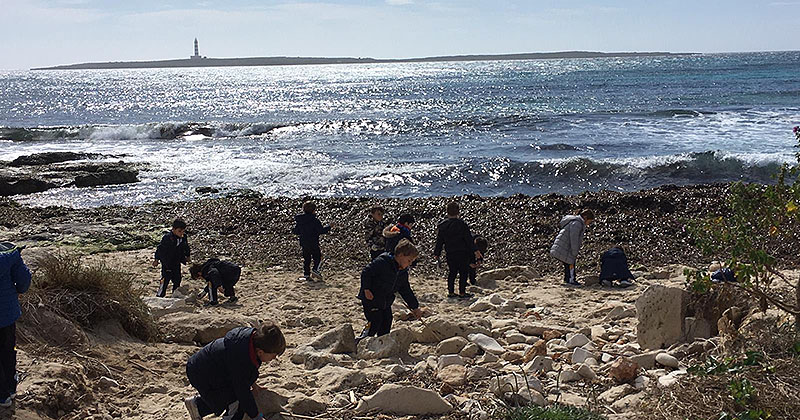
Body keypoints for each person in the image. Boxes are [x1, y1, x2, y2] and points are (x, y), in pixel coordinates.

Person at [185, 322, 286, 420]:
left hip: (208, 367)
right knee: (238, 401)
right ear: (260, 352)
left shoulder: (251, 341)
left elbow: (245, 374)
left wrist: (254, 385)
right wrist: (256, 416)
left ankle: (197, 407)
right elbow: (242, 390)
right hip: (201, 373)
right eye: (273, 356)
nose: (274, 358)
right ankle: (200, 407)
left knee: (227, 396)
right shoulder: (241, 359)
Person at [356, 239, 422, 341]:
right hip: (371, 299)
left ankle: (382, 342)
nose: (409, 264)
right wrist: (366, 289)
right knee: (375, 321)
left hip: (386, 301)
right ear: (400, 255)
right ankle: (362, 340)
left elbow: (406, 290)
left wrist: (415, 307)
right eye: (409, 260)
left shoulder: (402, 272)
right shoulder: (383, 262)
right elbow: (366, 272)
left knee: (387, 320)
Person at [0, 242, 31, 409]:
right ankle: (10, 389)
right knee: (8, 350)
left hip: (7, 313)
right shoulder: (11, 254)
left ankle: (2, 396)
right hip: (7, 314)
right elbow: (24, 282)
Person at [433, 202, 479, 299]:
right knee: (463, 272)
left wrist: (437, 253)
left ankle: (451, 292)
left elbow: (439, 241)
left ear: (447, 212)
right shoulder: (462, 224)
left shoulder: (443, 226)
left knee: (452, 272)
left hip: (450, 252)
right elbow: (468, 239)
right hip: (462, 252)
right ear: (458, 212)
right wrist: (475, 251)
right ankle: (462, 292)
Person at [549, 209, 595, 287]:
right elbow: (574, 239)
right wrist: (574, 252)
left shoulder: (575, 221)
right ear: (585, 217)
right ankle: (571, 280)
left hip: (562, 245)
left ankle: (567, 279)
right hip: (566, 247)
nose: (588, 224)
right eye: (589, 221)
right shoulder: (577, 224)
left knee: (567, 263)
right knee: (570, 263)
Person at [292, 201, 331, 281]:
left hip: (304, 242)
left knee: (307, 259)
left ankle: (306, 274)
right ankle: (315, 269)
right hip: (313, 242)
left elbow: (296, 231)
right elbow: (321, 230)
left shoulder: (300, 220)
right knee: (318, 257)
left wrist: (299, 231)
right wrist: (329, 227)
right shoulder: (315, 220)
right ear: (314, 210)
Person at [153, 219, 191, 297]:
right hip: (167, 261)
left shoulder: (183, 237)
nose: (181, 233)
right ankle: (160, 294)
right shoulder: (167, 238)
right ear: (173, 229)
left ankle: (175, 293)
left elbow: (186, 247)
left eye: (183, 231)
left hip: (177, 260)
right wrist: (156, 260)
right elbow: (160, 249)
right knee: (165, 279)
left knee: (177, 279)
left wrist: (187, 256)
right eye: (179, 231)